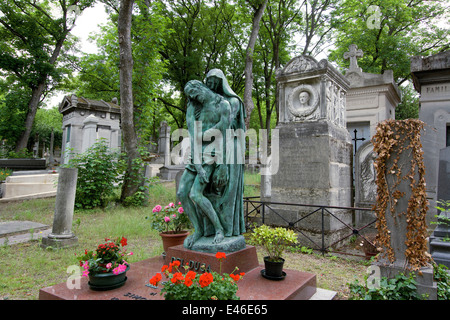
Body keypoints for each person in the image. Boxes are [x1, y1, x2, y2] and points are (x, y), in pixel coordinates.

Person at [178, 80, 231, 247]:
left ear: (200, 87)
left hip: (212, 153)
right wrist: (198, 165)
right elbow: (193, 137)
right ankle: (198, 230)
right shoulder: (193, 107)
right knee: (181, 193)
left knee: (195, 194)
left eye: (193, 93)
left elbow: (222, 131)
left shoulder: (223, 104)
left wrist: (221, 164)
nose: (193, 98)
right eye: (190, 96)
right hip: (196, 154)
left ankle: (219, 229)